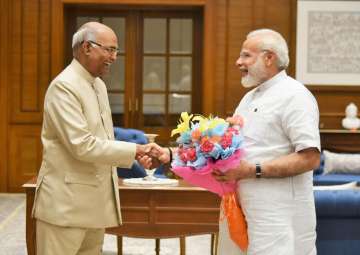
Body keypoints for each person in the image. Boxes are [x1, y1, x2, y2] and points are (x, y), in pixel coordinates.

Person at [32, 22, 156, 255]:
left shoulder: (97, 85)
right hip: (65, 208)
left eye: (116, 51)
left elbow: (103, 138)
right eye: (109, 49)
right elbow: (82, 145)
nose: (114, 57)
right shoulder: (64, 86)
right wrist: (135, 151)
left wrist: (134, 154)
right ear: (87, 47)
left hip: (95, 205)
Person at [211, 29, 321, 255]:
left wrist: (251, 170)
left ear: (269, 58)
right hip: (245, 209)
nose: (238, 62)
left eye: (246, 56)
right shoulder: (250, 96)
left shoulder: (295, 95)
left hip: (279, 216)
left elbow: (310, 158)